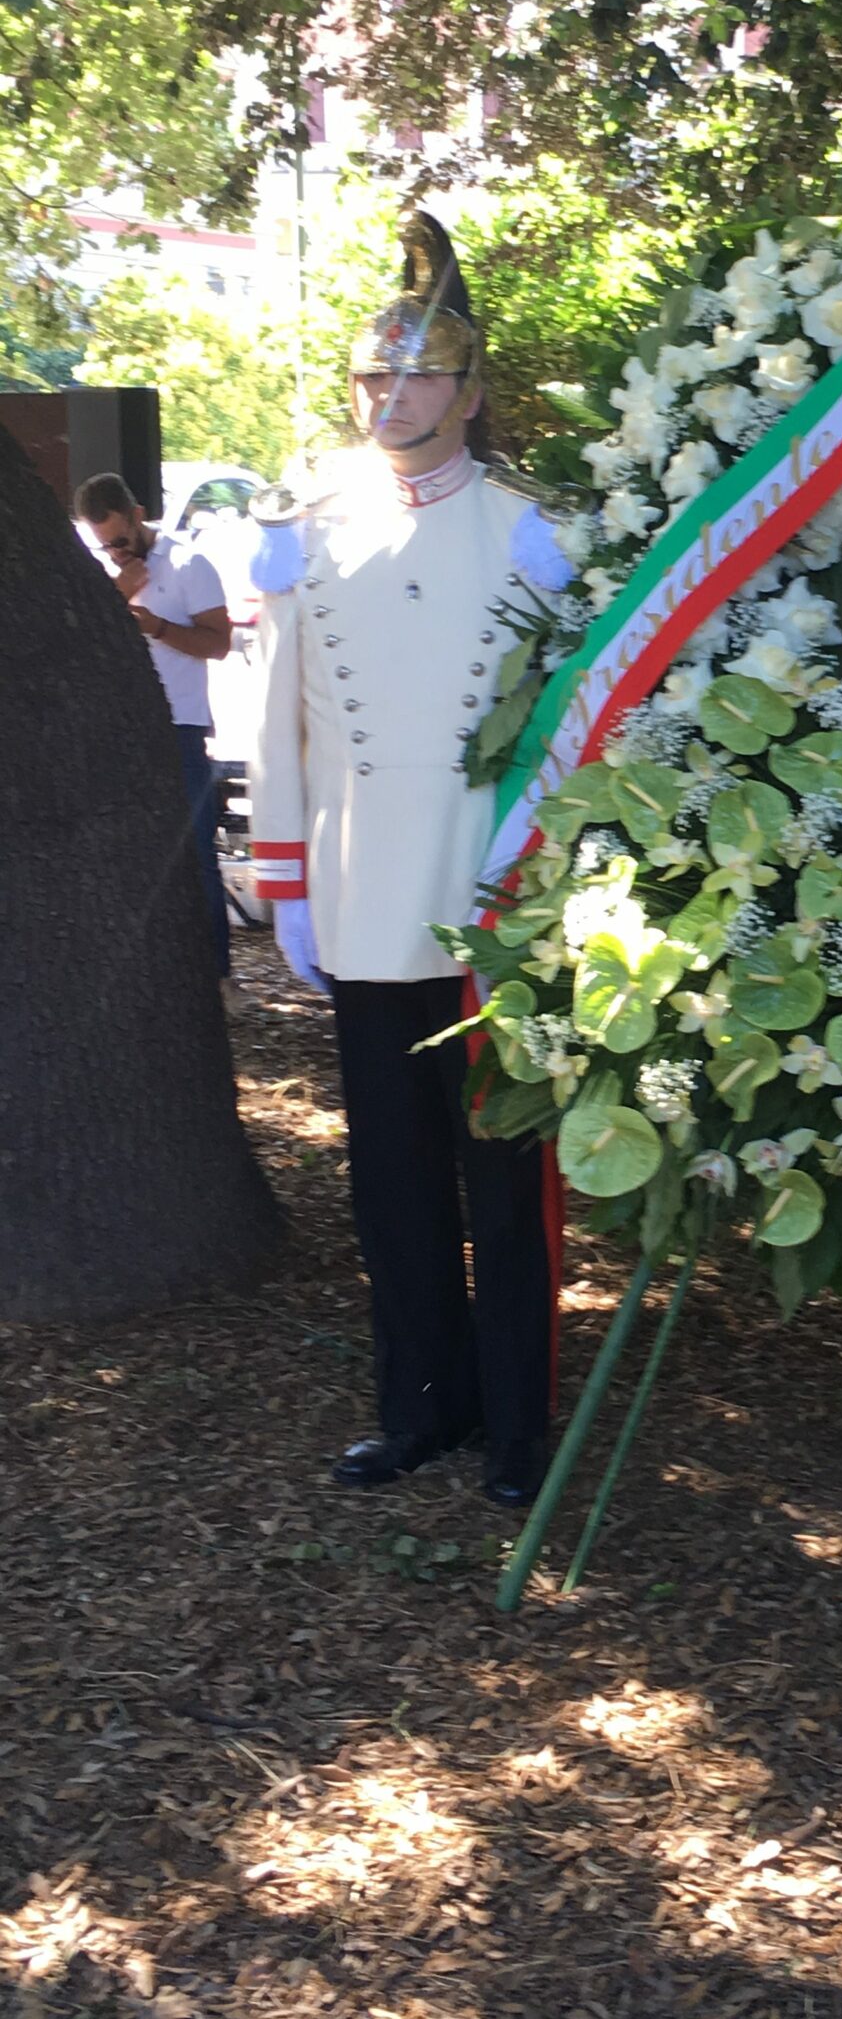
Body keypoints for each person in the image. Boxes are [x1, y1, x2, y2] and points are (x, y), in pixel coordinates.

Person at [249, 212, 573, 1507]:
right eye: (375, 376)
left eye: (421, 374)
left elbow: (571, 715)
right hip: (362, 899)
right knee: (389, 1186)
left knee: (504, 1184)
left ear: (471, 392)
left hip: (491, 904)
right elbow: (279, 722)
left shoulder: (529, 530)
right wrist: (285, 884)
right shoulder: (306, 529)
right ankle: (417, 1409)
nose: (394, 395)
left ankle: (515, 1424)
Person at [76, 470, 235, 977]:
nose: (116, 552)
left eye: (120, 540)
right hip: (122, 731)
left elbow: (218, 643)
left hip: (181, 726)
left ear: (139, 515)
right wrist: (114, 596)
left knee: (195, 855)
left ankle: (216, 974)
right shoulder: (110, 578)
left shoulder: (190, 565)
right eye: (105, 547)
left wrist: (161, 628)